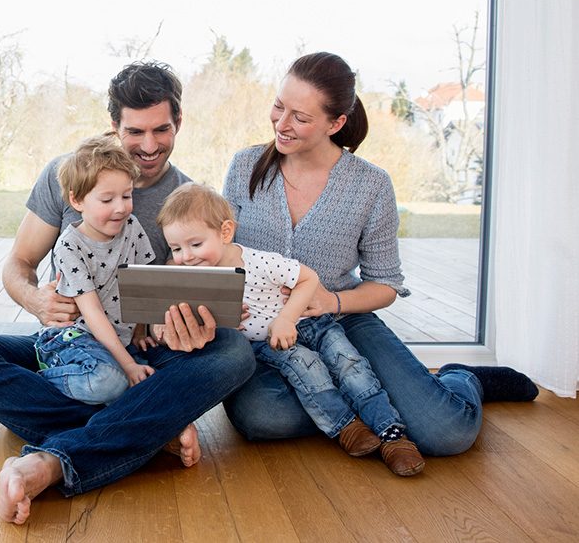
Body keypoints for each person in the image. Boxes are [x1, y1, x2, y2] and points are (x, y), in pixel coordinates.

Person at [0, 61, 256, 525]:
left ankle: (61, 455)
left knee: (235, 353)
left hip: (139, 350)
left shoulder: (187, 198)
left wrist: (187, 326)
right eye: (134, 131)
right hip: (64, 348)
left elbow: (181, 297)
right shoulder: (68, 177)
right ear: (114, 126)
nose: (148, 145)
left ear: (178, 122)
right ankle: (146, 424)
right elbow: (18, 266)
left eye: (161, 129)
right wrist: (36, 300)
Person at [221, 52, 538, 455]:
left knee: (447, 433)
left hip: (344, 317)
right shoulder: (245, 166)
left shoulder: (370, 185)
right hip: (266, 331)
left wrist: (329, 301)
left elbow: (385, 285)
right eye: (279, 106)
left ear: (336, 123)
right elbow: (219, 251)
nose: (281, 124)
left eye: (300, 117)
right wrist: (225, 306)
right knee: (263, 418)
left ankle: (461, 377)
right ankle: (366, 398)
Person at [157, 182, 426, 476]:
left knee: (350, 365)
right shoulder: (195, 279)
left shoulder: (259, 262)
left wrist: (286, 318)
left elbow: (308, 279)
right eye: (176, 248)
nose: (186, 256)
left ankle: (392, 433)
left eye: (195, 245)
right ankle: (346, 427)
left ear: (225, 232)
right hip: (269, 344)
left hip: (312, 324)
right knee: (308, 370)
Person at [34, 134, 156, 404]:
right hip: (75, 339)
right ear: (77, 201)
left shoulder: (132, 226)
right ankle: (41, 378)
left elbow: (141, 282)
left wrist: (140, 330)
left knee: (143, 384)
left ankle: (93, 401)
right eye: (107, 200)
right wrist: (128, 365)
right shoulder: (69, 246)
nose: (121, 208)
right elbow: (93, 314)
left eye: (127, 195)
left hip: (115, 343)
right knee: (109, 381)